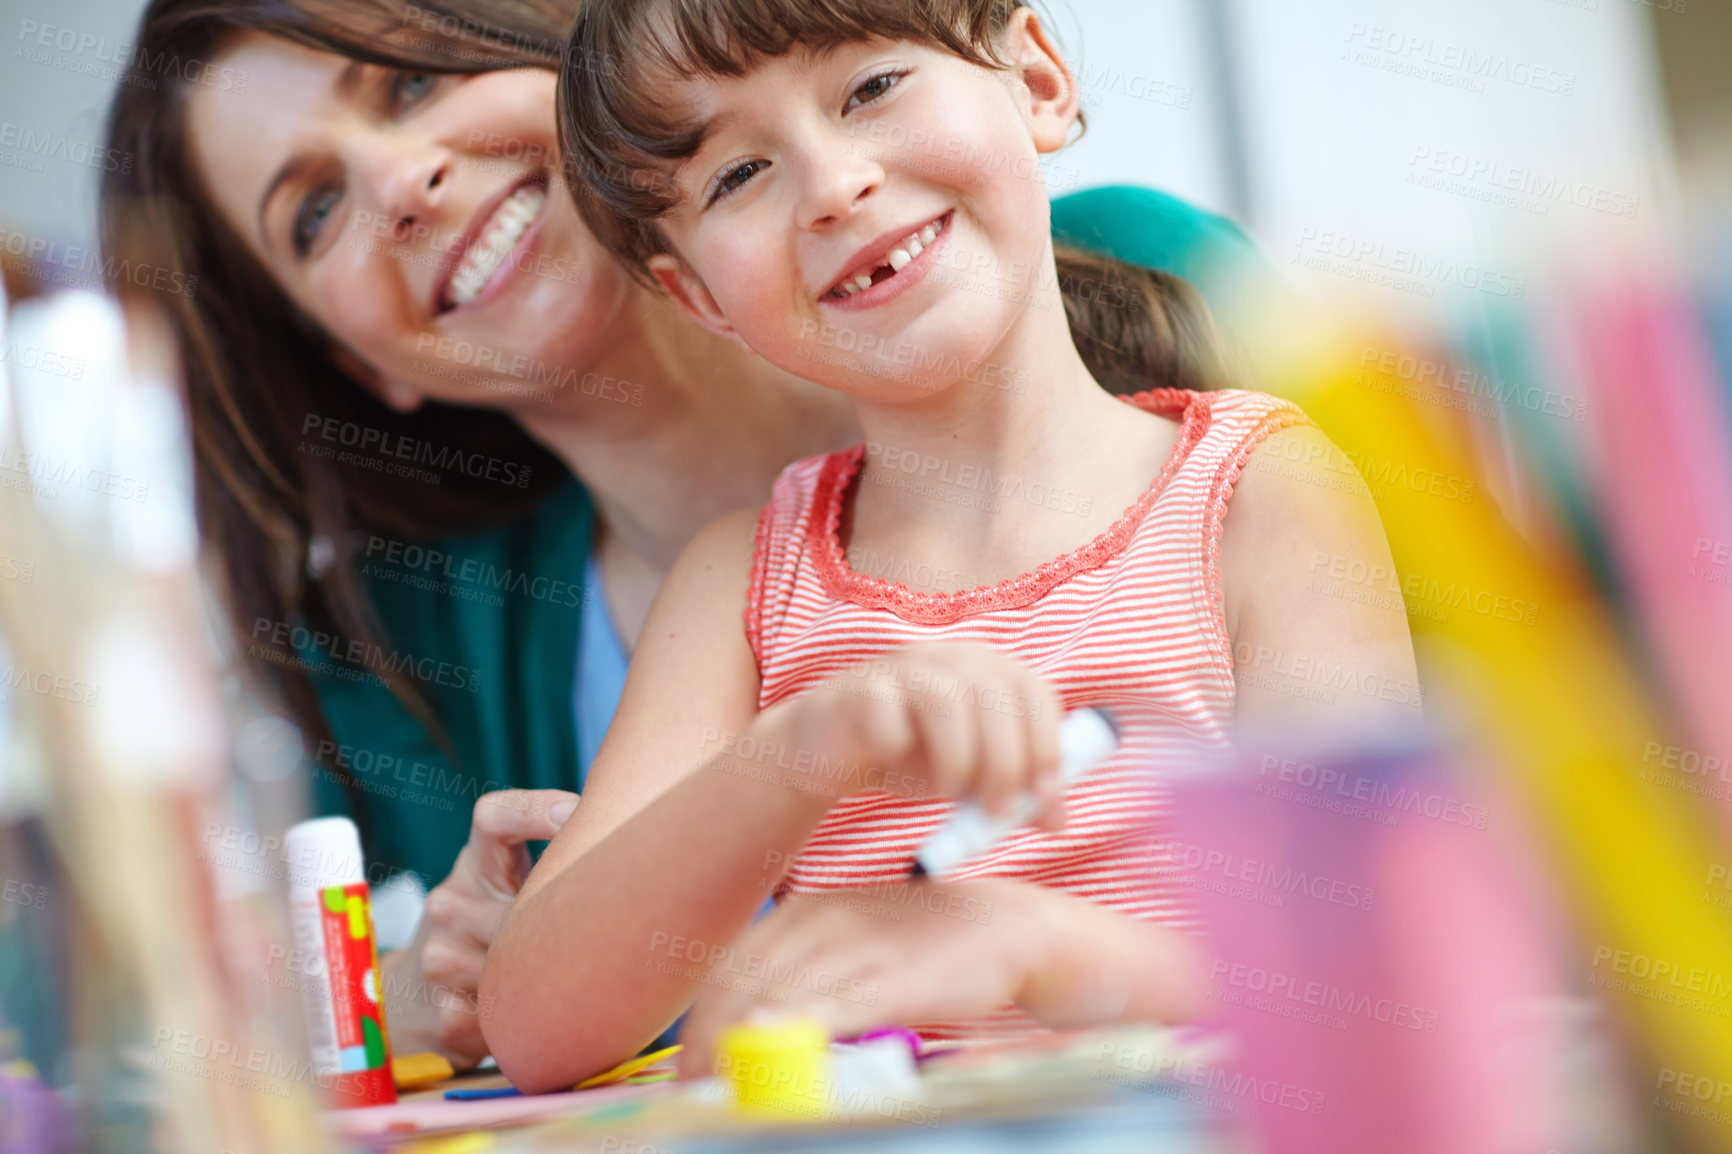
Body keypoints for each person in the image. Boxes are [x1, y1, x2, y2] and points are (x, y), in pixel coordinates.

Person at [100, 0, 1269, 1067]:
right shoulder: (394, 644)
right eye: (313, 212)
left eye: (408, 85)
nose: (401, 185)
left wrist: (1048, 948)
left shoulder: (1189, 359)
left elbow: (1415, 838)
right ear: (351, 358)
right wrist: (387, 1000)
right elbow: (154, 999)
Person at [480, 0, 1421, 1091]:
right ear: (699, 297)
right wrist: (802, 751)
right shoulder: (741, 579)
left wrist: (1030, 944)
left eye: (870, 89)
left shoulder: (1262, 492)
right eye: (737, 174)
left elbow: (1366, 964)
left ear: (1036, 80)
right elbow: (540, 1026)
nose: (833, 186)